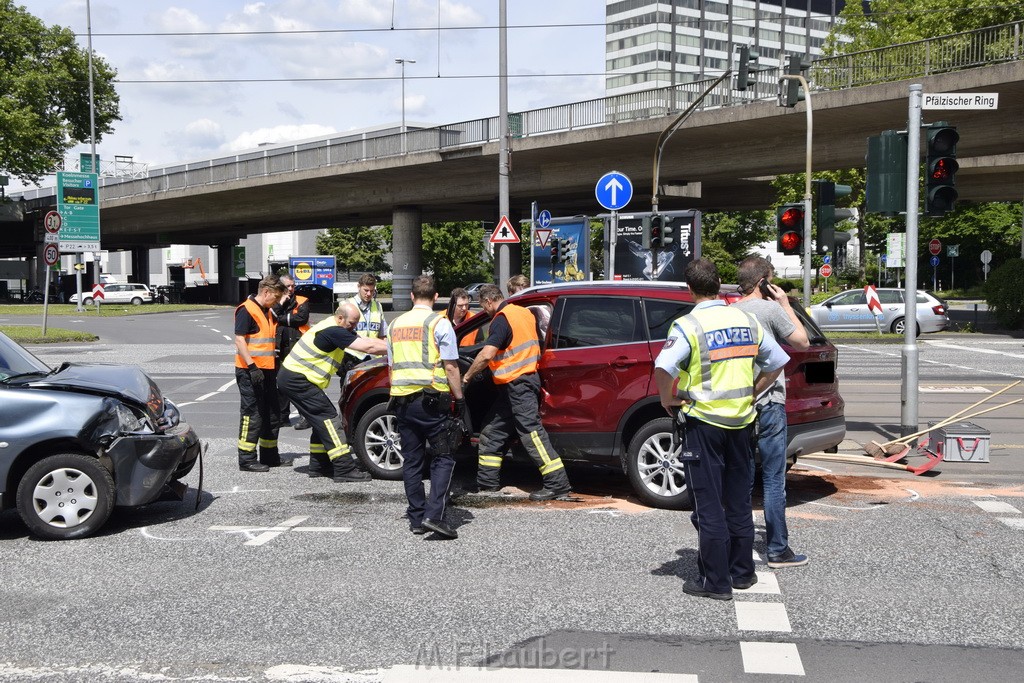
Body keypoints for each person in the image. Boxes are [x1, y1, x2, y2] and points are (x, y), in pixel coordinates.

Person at [654, 258, 788, 600]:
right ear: (719, 284)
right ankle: (742, 573)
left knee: (710, 504)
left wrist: (668, 398)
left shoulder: (689, 324)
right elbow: (776, 362)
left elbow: (664, 365)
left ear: (690, 288)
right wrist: (753, 391)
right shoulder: (745, 319)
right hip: (743, 422)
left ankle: (715, 582)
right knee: (740, 501)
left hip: (705, 424)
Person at [732, 256, 810, 569]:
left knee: (740, 476)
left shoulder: (730, 311)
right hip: (770, 402)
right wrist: (786, 303)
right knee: (773, 478)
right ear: (764, 280)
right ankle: (778, 549)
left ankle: (738, 543)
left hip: (738, 404)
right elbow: (801, 342)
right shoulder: (771, 309)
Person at [462, 284, 572, 501]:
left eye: (484, 307)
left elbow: (486, 354)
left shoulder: (501, 319)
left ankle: (557, 484)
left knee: (531, 433)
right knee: (492, 432)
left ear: (488, 301)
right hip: (517, 385)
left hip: (519, 385)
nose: (485, 311)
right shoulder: (523, 312)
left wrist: (467, 377)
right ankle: (487, 483)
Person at [387, 274, 465, 539]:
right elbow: (451, 366)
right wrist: (460, 398)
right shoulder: (439, 323)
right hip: (432, 403)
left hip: (401, 402)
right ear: (435, 297)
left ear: (411, 296)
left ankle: (417, 518)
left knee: (412, 461)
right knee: (443, 456)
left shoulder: (394, 324)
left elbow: (391, 366)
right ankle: (435, 516)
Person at [279, 302, 388, 481]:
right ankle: (344, 468)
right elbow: (368, 347)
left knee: (319, 421)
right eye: (351, 323)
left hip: (295, 378)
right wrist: (399, 347)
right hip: (297, 380)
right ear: (340, 318)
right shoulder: (333, 330)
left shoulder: (335, 326)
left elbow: (368, 341)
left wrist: (390, 341)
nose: (353, 327)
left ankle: (319, 465)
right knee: (329, 419)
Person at [234, 275, 288, 472]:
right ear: (265, 292)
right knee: (252, 414)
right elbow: (239, 340)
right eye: (275, 297)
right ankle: (246, 459)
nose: (276, 301)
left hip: (267, 370)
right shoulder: (246, 310)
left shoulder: (267, 310)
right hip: (250, 371)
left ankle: (270, 455)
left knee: (273, 413)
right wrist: (251, 366)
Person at [273, 274, 312, 430]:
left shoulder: (302, 301)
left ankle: (305, 415)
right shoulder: (277, 301)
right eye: (288, 286)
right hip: (279, 347)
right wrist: (282, 312)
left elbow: (301, 319)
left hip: (298, 347)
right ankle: (282, 418)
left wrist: (281, 317)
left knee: (296, 384)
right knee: (280, 383)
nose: (291, 289)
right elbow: (272, 315)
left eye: (292, 286)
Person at [342, 273, 388, 368]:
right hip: (352, 358)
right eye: (366, 290)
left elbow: (383, 335)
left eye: (372, 291)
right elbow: (340, 334)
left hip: (374, 359)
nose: (369, 294)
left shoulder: (378, 306)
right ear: (359, 287)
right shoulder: (346, 304)